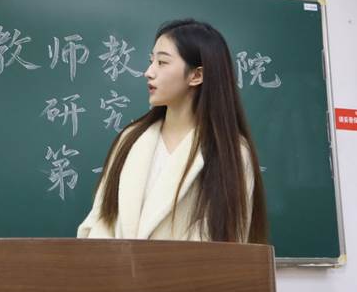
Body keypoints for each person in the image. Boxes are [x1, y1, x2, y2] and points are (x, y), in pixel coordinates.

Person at [77, 19, 268, 243]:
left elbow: (221, 240)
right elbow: (102, 218)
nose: (148, 72)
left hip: (183, 267)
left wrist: (148, 263)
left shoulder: (230, 152)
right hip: (114, 265)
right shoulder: (131, 138)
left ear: (196, 76)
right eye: (151, 61)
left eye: (162, 62)